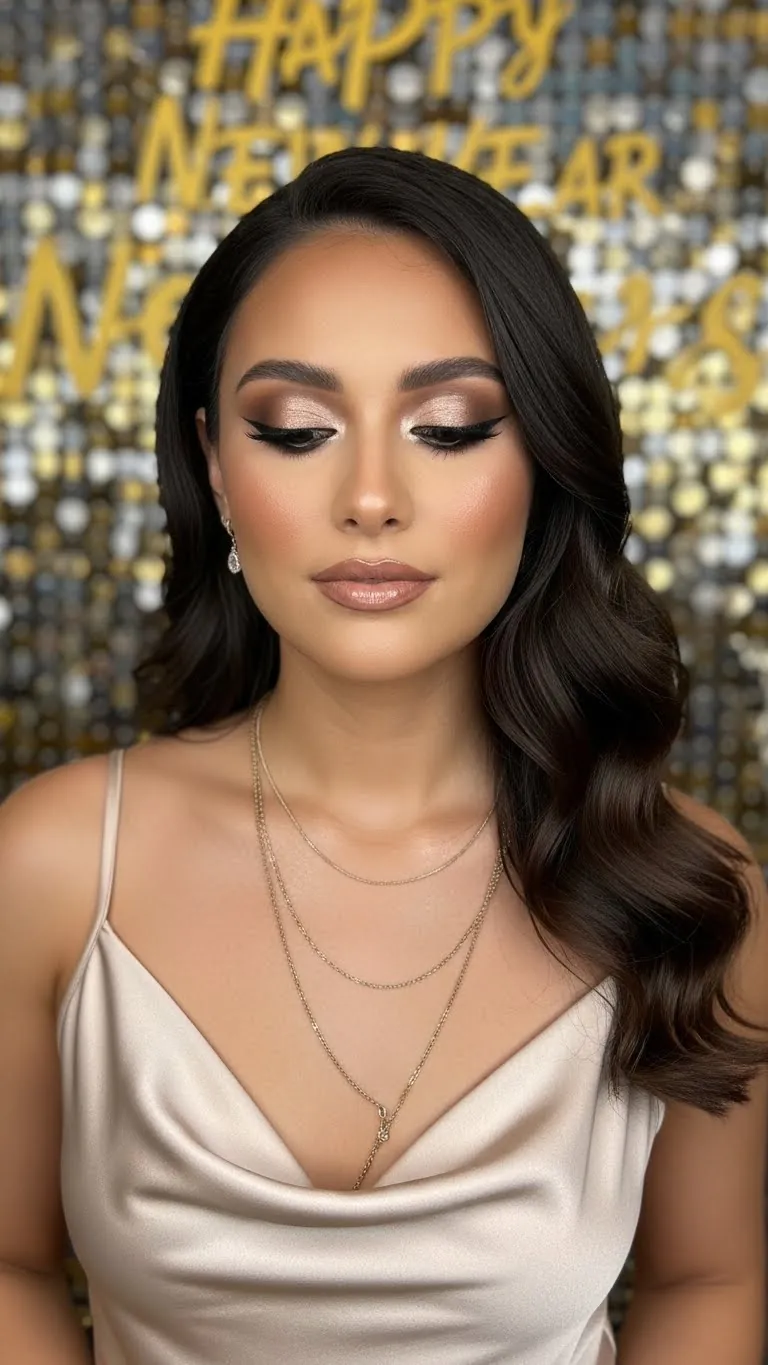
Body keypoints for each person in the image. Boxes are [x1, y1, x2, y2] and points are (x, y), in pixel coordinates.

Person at [1, 146, 766, 1365]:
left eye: (450, 427)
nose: (370, 496)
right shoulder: (51, 865)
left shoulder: (681, 883)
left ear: (543, 462)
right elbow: (10, 1269)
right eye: (296, 428)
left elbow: (713, 1281)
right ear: (213, 461)